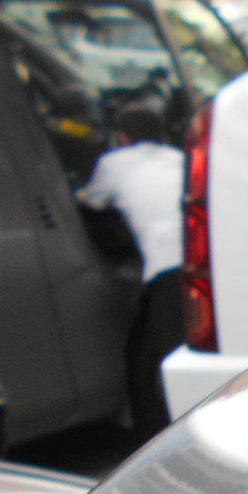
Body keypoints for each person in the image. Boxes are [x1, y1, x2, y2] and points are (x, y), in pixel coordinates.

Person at [78, 100, 183, 440]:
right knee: (146, 346)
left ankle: (163, 431)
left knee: (163, 353)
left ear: (122, 137)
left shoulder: (112, 163)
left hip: (165, 265)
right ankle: (151, 427)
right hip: (198, 259)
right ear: (163, 134)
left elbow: (91, 201)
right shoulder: (179, 158)